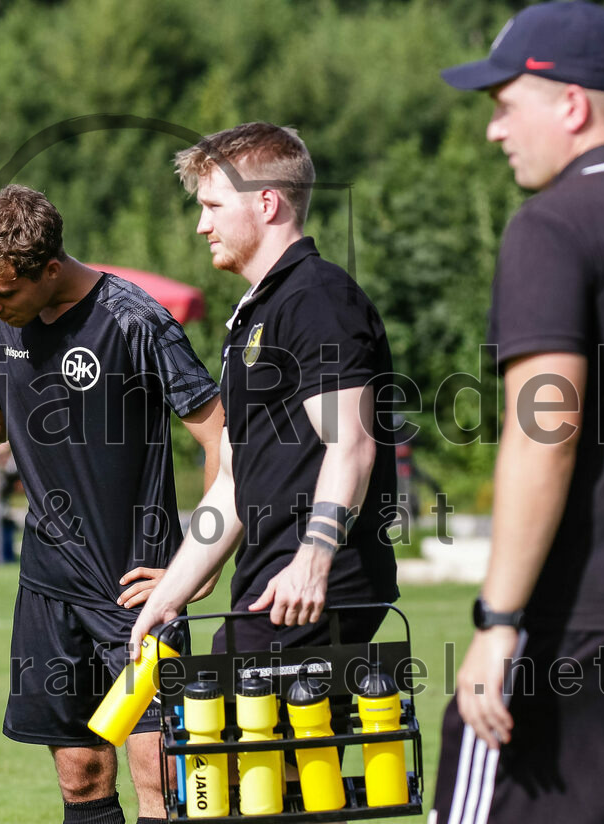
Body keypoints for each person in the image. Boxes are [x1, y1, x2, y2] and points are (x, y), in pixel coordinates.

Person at [0, 184, 224, 824]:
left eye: (2, 293)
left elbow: (220, 433)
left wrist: (201, 560)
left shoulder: (135, 320)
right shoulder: (9, 321)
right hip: (47, 582)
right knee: (80, 778)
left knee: (162, 783)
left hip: (136, 589)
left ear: (50, 269)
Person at [433, 3, 604, 821]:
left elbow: (546, 432)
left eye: (505, 106)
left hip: (577, 623)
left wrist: (498, 622)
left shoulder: (554, 225)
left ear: (570, 104)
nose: (493, 132)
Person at [129, 121, 399, 674]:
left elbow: (351, 446)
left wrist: (313, 560)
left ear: (267, 203)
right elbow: (232, 481)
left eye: (213, 205)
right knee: (250, 753)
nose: (201, 225)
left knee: (225, 745)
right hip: (267, 584)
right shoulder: (257, 313)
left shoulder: (318, 299)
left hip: (318, 585)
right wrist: (172, 591)